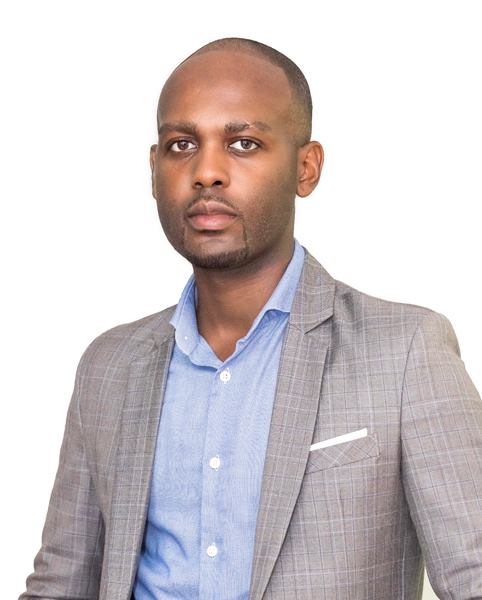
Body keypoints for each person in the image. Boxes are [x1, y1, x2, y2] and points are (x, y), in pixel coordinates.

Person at [20, 37, 482, 600]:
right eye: (182, 144)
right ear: (154, 168)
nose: (207, 172)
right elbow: (61, 581)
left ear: (305, 169)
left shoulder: (405, 352)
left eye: (243, 143)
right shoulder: (109, 365)